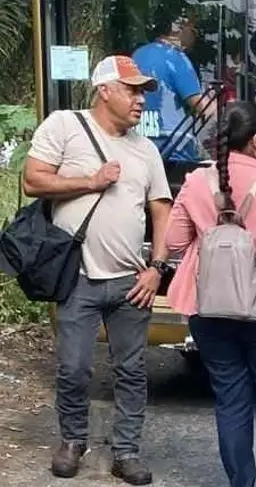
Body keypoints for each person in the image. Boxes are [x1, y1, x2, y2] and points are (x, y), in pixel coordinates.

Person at [23, 56, 173, 485]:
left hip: (131, 282)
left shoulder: (145, 149)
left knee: (132, 370)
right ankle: (72, 440)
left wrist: (157, 268)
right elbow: (33, 181)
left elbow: (161, 210)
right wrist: (90, 181)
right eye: (132, 89)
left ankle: (126, 451)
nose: (140, 99)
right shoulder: (64, 126)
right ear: (104, 90)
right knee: (73, 368)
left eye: (143, 91)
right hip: (78, 279)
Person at [162, 101, 256, 487]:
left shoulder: (196, 183)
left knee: (230, 400)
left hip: (208, 309)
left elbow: (175, 242)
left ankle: (240, 482)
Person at [132, 0, 215, 161]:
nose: (195, 35)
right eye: (193, 28)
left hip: (138, 144)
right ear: (178, 27)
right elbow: (204, 109)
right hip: (174, 149)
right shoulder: (176, 58)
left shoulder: (137, 54)